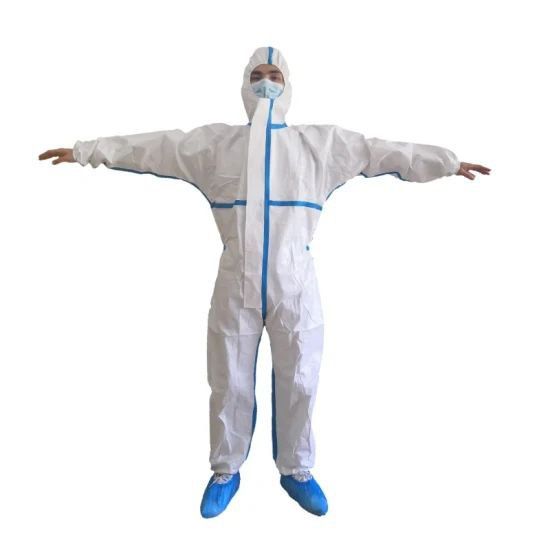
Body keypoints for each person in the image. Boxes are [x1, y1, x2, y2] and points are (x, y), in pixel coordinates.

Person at [38, 46, 491, 518]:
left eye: (275, 74)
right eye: (258, 74)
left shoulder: (318, 146)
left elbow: (380, 151)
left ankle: (297, 470)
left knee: (301, 377)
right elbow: (156, 148)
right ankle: (225, 470)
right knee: (228, 378)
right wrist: (86, 151)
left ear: (288, 84)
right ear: (244, 84)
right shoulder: (217, 145)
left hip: (295, 282)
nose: (266, 82)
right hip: (236, 280)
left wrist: (446, 163)